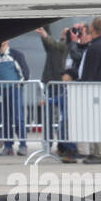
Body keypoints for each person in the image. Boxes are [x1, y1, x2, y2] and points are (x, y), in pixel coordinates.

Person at [61, 17, 101, 164]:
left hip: (92, 89)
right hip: (92, 88)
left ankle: (100, 154)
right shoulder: (97, 45)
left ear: (93, 30)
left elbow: (90, 71)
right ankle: (96, 153)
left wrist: (82, 84)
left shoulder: (96, 47)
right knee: (94, 123)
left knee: (97, 123)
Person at [0, 41, 30, 155]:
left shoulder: (16, 55)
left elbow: (25, 74)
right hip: (1, 92)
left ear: (8, 41)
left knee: (18, 118)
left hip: (15, 90)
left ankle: (23, 145)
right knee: (5, 119)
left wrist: (18, 85)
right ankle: (8, 146)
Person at [37, 25, 71, 156]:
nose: (63, 34)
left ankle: (62, 145)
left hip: (59, 85)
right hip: (51, 83)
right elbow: (50, 43)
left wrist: (45, 34)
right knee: (49, 117)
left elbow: (53, 43)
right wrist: (45, 30)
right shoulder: (55, 47)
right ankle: (48, 144)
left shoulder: (65, 48)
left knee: (61, 117)